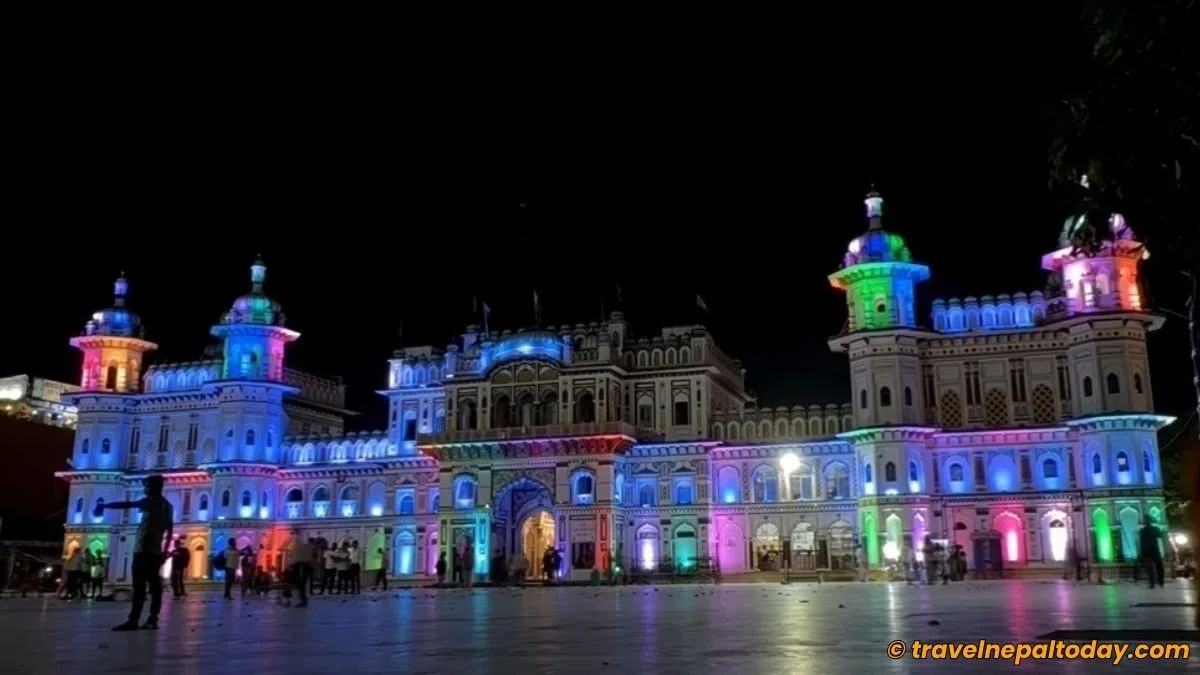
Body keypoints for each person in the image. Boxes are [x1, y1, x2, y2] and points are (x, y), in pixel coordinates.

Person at [95, 473, 173, 630]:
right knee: (155, 585)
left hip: (143, 549)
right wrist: (164, 552)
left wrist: (104, 506)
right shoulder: (168, 505)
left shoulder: (151, 501)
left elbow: (127, 504)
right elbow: (170, 531)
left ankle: (134, 620)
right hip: (156, 551)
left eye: (146, 486)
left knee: (139, 586)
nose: (144, 489)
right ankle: (152, 619)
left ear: (151, 487)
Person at [290, 538, 315, 607]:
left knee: (301, 588)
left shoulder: (302, 561)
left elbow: (301, 569)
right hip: (300, 576)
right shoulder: (301, 560)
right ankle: (302, 601)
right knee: (300, 588)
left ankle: (303, 601)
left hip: (301, 576)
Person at [1140, 522, 1165, 588]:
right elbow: (1141, 542)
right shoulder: (1143, 531)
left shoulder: (1153, 529)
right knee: (1151, 568)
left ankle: (1159, 581)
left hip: (1153, 551)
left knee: (1157, 567)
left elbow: (1159, 535)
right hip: (1149, 552)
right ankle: (1153, 583)